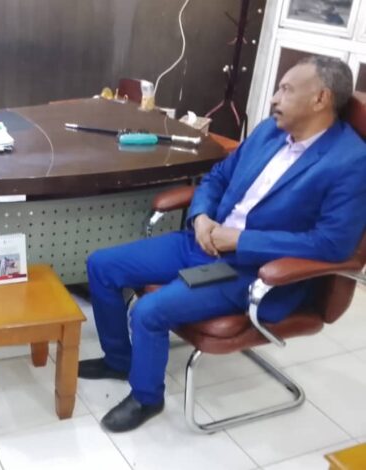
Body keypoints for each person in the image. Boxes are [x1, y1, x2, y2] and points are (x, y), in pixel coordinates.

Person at [80, 56, 366, 432]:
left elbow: (331, 244)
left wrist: (242, 241)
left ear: (320, 99)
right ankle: (119, 360)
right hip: (204, 239)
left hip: (252, 270)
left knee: (148, 311)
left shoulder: (351, 162)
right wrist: (201, 217)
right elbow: (217, 177)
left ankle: (147, 397)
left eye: (285, 89)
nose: (274, 98)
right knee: (102, 265)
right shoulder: (269, 132)